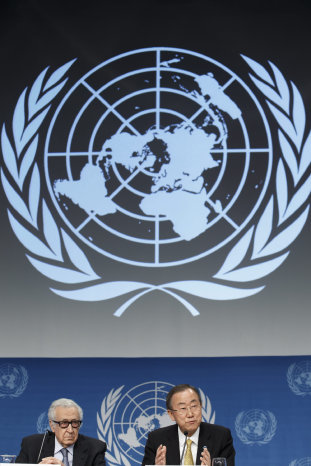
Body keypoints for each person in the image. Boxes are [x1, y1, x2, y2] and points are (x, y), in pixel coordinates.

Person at [142, 384, 235, 466]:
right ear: (171, 414)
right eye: (183, 408)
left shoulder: (221, 436)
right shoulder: (157, 440)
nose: (190, 414)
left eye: (194, 406)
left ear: (201, 406)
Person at [15, 398, 106, 466]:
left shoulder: (95, 448)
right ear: (52, 426)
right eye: (64, 423)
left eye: (75, 423)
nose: (70, 430)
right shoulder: (32, 445)